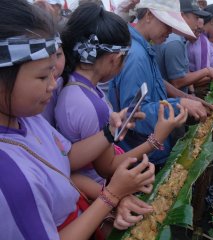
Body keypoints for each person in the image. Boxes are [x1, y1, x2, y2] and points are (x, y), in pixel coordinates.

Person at [0, 0, 155, 238]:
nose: (54, 84)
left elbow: (65, 161)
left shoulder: (27, 118)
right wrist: (111, 195)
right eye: (43, 77)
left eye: (53, 71)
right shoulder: (9, 177)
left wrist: (108, 133)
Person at [55, 2, 187, 194]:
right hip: (95, 189)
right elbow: (107, 166)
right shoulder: (91, 104)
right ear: (115, 59)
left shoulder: (73, 84)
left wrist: (122, 120)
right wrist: (156, 139)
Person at [108, 0, 209, 167]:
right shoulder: (136, 56)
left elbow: (155, 81)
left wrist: (186, 97)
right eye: (167, 24)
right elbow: (133, 115)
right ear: (148, 15)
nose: (170, 31)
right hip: (141, 155)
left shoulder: (143, 48)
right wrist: (180, 103)